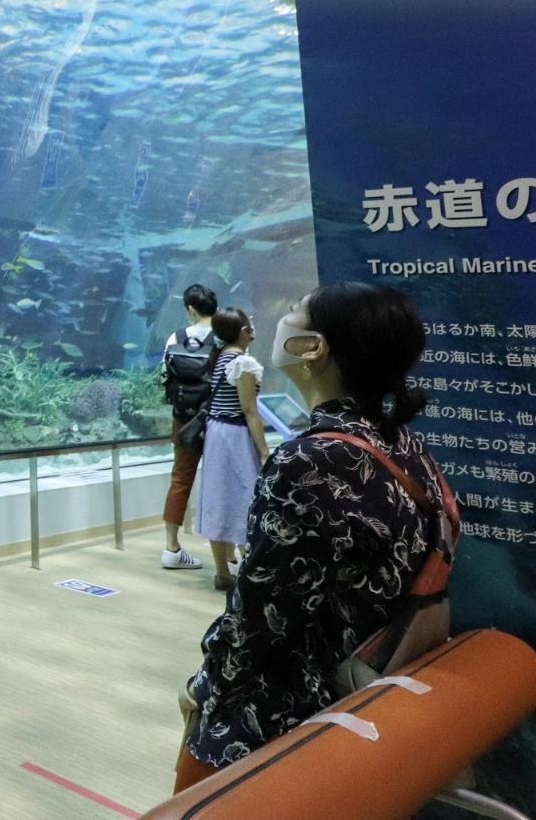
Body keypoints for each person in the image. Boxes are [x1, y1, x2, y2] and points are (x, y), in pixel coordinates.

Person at [174, 282, 447, 793]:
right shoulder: (402, 442)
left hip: (291, 714)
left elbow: (258, 613)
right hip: (367, 687)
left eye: (295, 311)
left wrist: (204, 686)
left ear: (313, 348)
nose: (281, 318)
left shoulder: (313, 461)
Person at [189, 309, 270, 590]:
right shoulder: (243, 363)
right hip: (235, 436)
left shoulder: (219, 357)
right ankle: (251, 568)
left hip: (216, 433)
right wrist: (264, 450)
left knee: (218, 496)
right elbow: (249, 411)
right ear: (245, 332)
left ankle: (222, 571)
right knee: (246, 496)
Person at [159, 283, 219, 571]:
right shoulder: (224, 335)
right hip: (218, 418)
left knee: (181, 478)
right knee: (221, 480)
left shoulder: (176, 336)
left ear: (191, 309)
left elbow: (163, 376)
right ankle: (225, 548)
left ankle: (171, 548)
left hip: (183, 419)